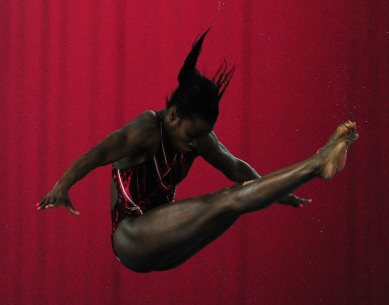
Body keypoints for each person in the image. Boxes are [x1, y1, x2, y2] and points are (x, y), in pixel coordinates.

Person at [37, 30, 359, 273]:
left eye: (202, 136)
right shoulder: (146, 130)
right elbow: (94, 155)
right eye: (192, 135)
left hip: (165, 245)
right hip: (131, 237)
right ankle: (317, 163)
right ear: (173, 115)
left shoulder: (201, 138)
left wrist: (278, 192)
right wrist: (62, 186)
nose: (196, 144)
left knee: (235, 203)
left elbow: (236, 168)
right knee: (226, 200)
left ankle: (312, 168)